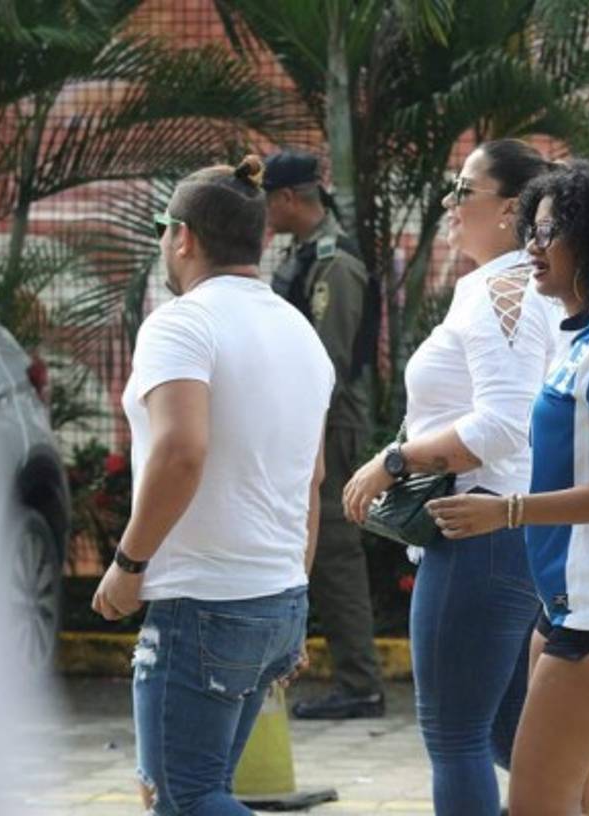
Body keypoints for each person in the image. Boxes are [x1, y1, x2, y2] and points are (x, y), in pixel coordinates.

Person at [341, 142, 589, 816]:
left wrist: (395, 459)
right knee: (512, 731)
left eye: (462, 189)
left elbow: (502, 426)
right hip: (518, 528)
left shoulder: (499, 290)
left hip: (482, 527)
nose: (449, 204)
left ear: (511, 209)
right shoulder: (543, 290)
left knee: (455, 735)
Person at [425, 161, 589, 816]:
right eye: (531, 232)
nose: (532, 247)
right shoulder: (584, 336)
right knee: (579, 802)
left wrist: (506, 511)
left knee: (539, 804)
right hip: (577, 601)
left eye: (549, 234)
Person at [91, 156, 334, 814]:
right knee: (202, 791)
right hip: (274, 595)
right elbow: (311, 479)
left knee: (185, 798)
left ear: (185, 237)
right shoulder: (299, 331)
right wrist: (297, 592)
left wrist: (128, 563)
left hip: (203, 603)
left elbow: (179, 453)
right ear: (259, 239)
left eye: (165, 229)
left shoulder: (181, 323)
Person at [263, 150, 387, 719]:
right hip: (307, 417)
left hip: (328, 421)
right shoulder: (304, 253)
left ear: (289, 198)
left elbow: (327, 363)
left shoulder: (336, 264)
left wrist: (297, 428)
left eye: (268, 198)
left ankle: (360, 684)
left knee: (335, 547)